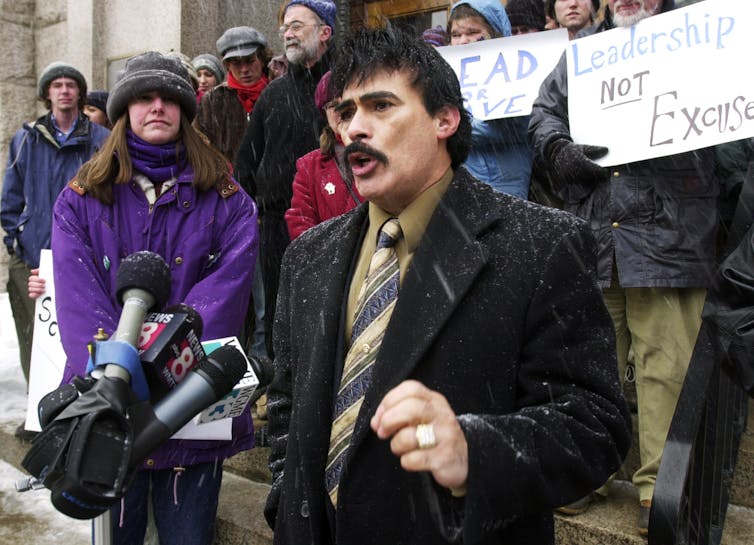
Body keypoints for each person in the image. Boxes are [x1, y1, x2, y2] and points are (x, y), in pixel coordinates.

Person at [264, 27, 631, 545]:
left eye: (381, 106)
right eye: (345, 113)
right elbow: (286, 401)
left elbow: (595, 428)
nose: (355, 130)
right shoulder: (308, 255)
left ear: (444, 119)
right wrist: (286, 501)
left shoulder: (543, 243)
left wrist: (474, 451)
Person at [50, 51, 258, 545]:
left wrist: (163, 361)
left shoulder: (229, 198)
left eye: (169, 98)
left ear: (186, 111)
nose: (157, 107)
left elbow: (226, 290)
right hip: (109, 405)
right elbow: (79, 297)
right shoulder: (81, 197)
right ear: (125, 110)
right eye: (144, 97)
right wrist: (116, 376)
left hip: (192, 400)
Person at [529, 0, 718, 534]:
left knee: (667, 369)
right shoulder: (584, 53)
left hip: (670, 236)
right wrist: (561, 150)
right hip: (596, 237)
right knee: (591, 363)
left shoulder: (700, 40)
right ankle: (588, 471)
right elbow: (543, 115)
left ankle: (663, 489)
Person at [1, 61, 109, 404]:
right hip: (30, 260)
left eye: (70, 84)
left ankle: (81, 410)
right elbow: (10, 198)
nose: (64, 90)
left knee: (83, 334)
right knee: (33, 338)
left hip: (84, 258)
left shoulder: (100, 140)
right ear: (47, 93)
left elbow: (110, 198)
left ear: (79, 92)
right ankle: (39, 410)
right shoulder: (26, 139)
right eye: (57, 85)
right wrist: (19, 243)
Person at [235, 0, 336, 356]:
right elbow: (245, 162)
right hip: (277, 226)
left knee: (333, 312)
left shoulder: (345, 86)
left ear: (325, 32)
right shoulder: (274, 94)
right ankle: (286, 397)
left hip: (337, 219)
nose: (288, 35)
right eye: (285, 28)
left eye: (297, 26)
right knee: (282, 313)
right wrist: (246, 215)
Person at [447, 0, 533, 199]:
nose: (462, 41)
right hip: (461, 180)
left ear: (496, 33)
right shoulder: (446, 75)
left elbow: (523, 126)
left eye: (472, 32)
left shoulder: (519, 69)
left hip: (508, 180)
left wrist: (457, 128)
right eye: (456, 35)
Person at [285, 71, 362, 240]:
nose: (342, 111)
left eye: (348, 104)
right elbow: (301, 225)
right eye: (334, 105)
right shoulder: (309, 167)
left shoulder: (384, 149)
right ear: (325, 113)